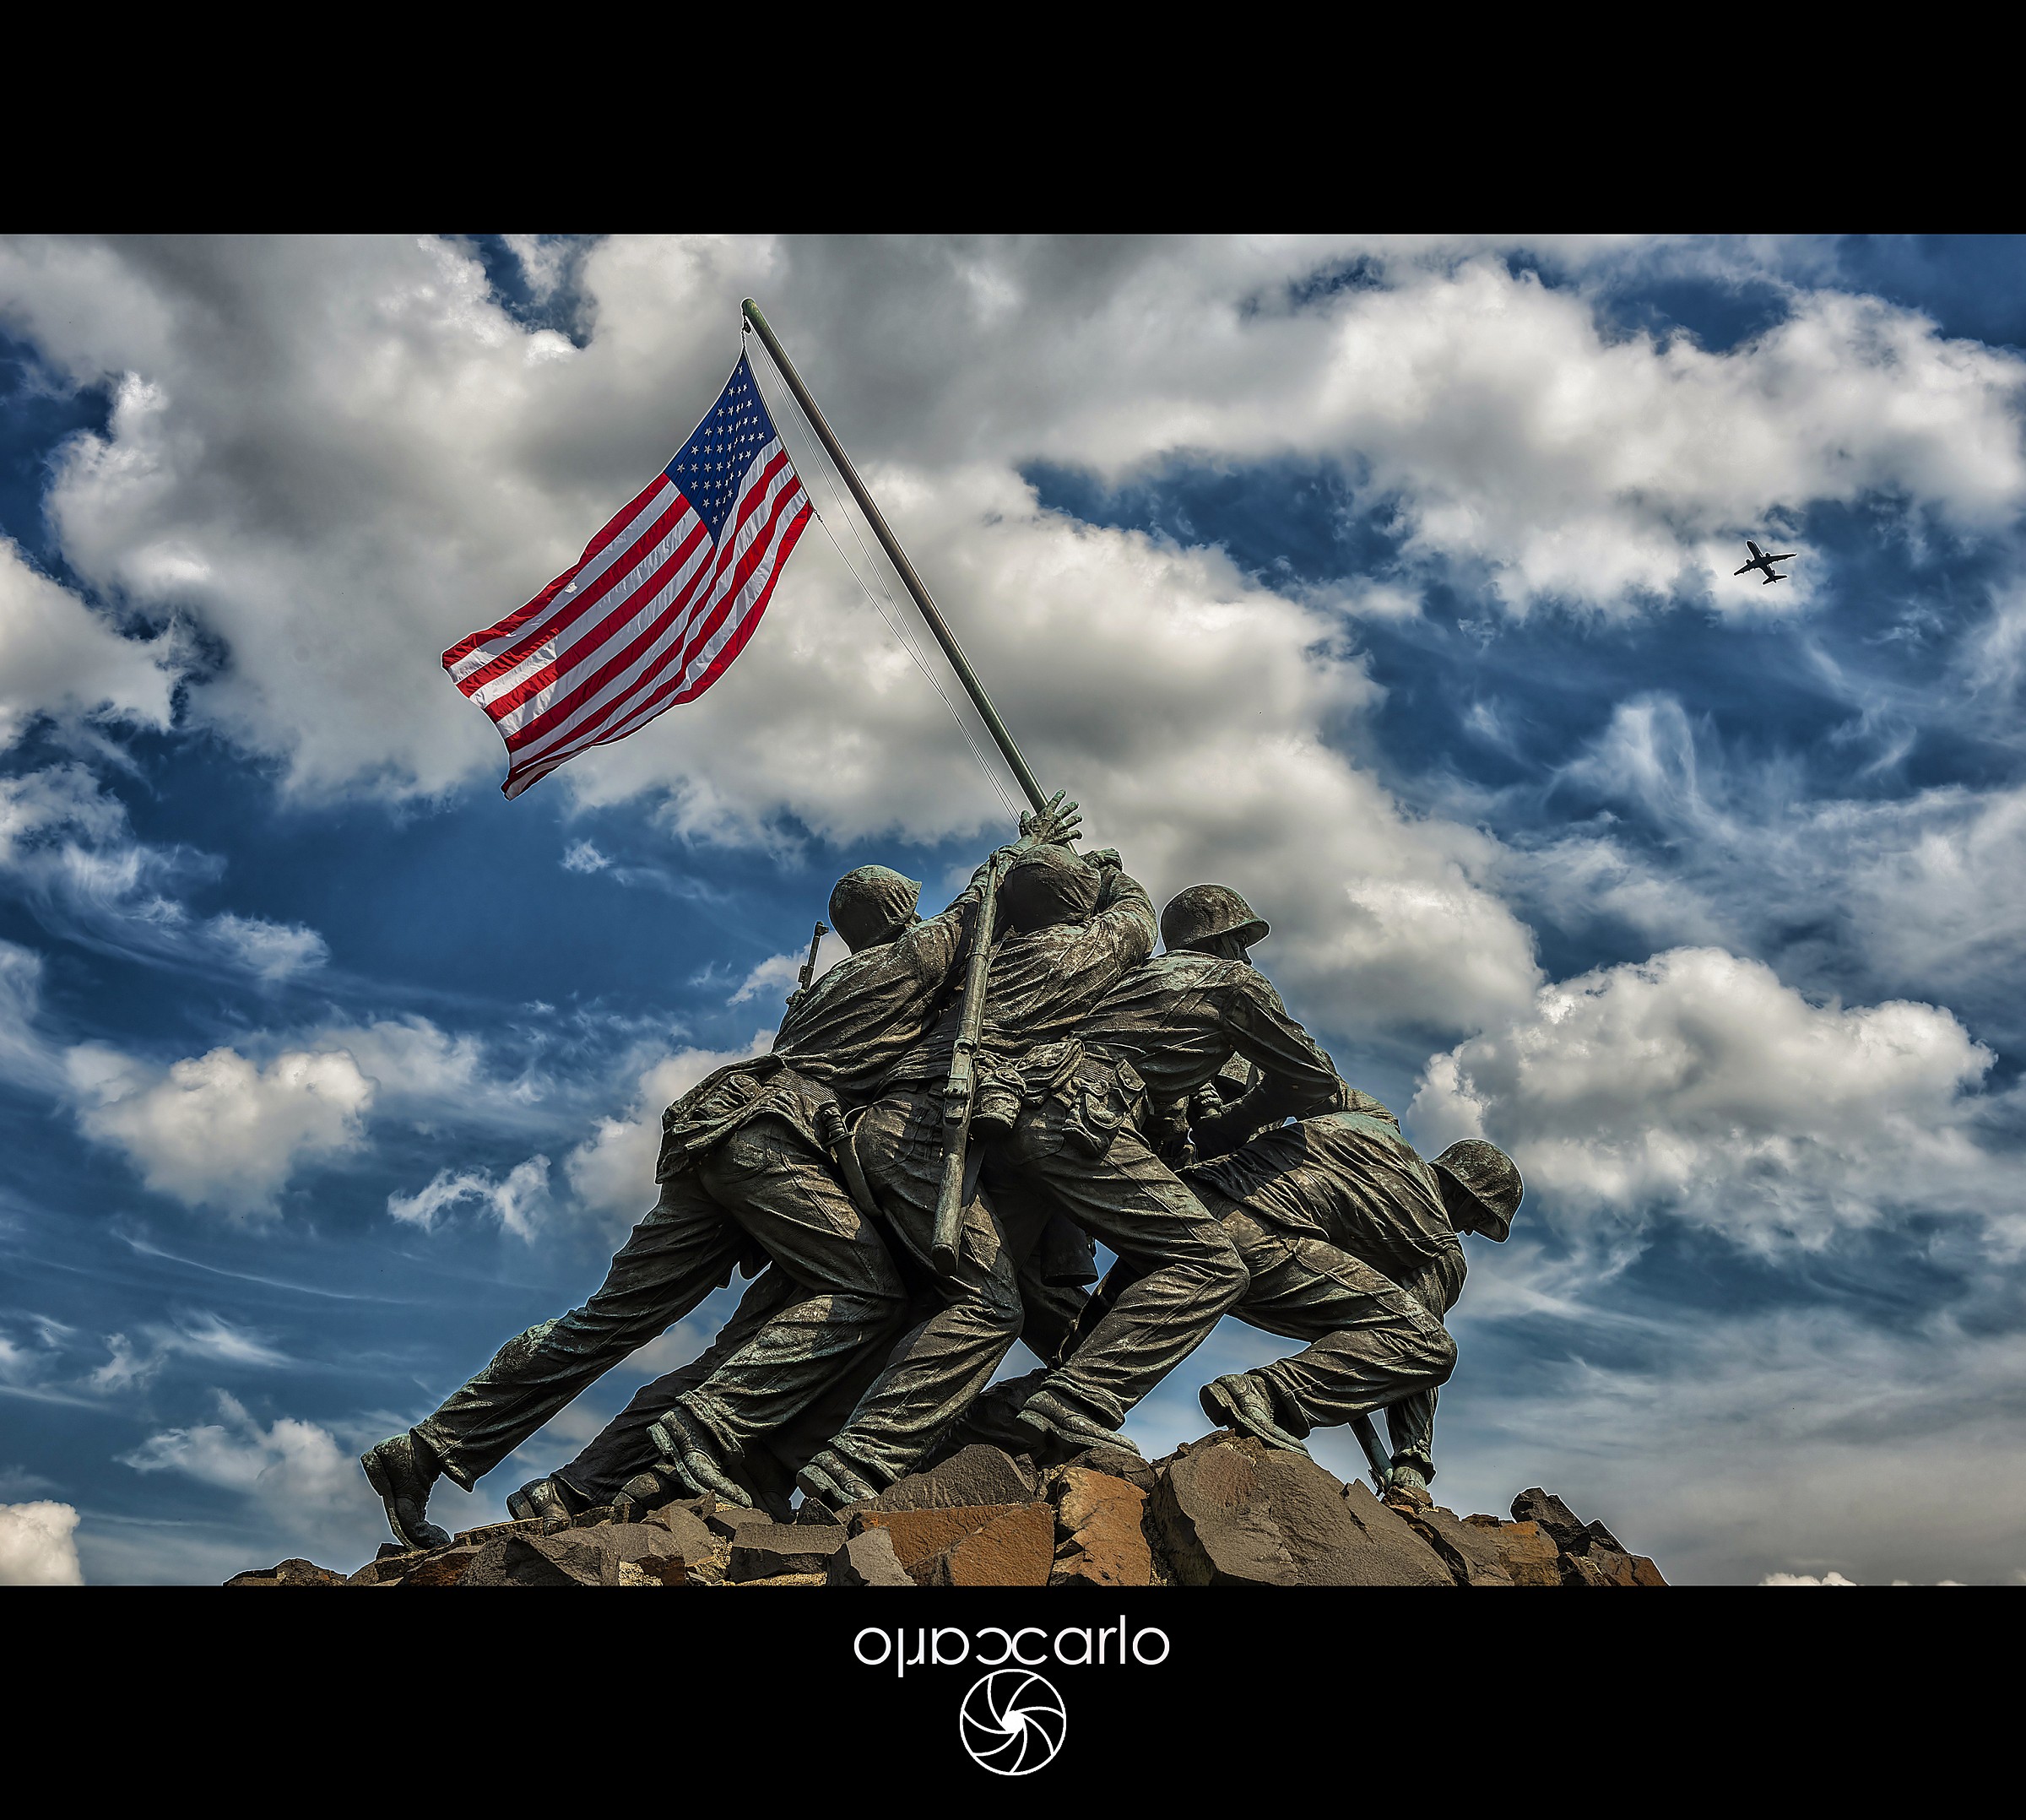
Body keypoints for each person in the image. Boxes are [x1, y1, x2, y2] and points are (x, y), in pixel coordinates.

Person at [358, 800, 1075, 1547]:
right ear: (901, 914)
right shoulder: (906, 961)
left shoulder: (828, 987)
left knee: (603, 1323)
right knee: (867, 1289)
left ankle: (431, 1447)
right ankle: (703, 1429)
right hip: (773, 1142)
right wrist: (1027, 848)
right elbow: (977, 912)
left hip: (715, 1137)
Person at [792, 843, 1159, 1505]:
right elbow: (1137, 918)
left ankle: (834, 1452)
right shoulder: (1081, 951)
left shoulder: (978, 967)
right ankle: (858, 1463)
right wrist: (1110, 872)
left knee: (949, 1302)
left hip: (898, 1129)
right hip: (927, 1132)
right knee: (989, 1307)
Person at [989, 882, 1347, 1460]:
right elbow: (1313, 1079)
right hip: (1080, 1122)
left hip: (1017, 1114)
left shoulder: (1138, 982)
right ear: (1225, 942)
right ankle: (1076, 1400)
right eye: (1242, 942)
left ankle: (973, 1422)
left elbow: (1163, 1111)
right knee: (1211, 1265)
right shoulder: (1234, 983)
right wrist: (1237, 1126)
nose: (1247, 956)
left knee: (979, 1298)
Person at [1187, 1097, 1522, 1498]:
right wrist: (1412, 1459)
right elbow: (1418, 1338)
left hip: (1185, 1199)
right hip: (1256, 1239)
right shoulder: (1439, 1242)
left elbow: (1311, 1092)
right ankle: (1264, 1394)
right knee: (1430, 1347)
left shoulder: (1376, 1128)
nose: (1470, 1230)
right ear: (1466, 1196)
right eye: (1479, 1218)